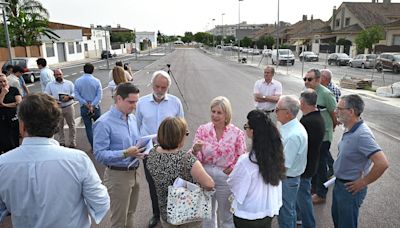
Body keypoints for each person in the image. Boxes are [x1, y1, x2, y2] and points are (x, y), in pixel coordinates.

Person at [0, 93, 110, 228]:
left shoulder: (3, 163)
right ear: (56, 125)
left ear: (22, 126)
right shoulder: (78, 160)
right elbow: (100, 202)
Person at [146, 117, 215, 228]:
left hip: (167, 212)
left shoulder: (152, 153)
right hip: (188, 214)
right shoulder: (187, 160)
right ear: (179, 136)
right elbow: (209, 184)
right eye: (186, 133)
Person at [136, 70, 184, 228]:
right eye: (157, 86)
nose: (159, 90)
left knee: (172, 184)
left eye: (163, 87)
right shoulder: (141, 103)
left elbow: (182, 126)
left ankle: (172, 212)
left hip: (170, 152)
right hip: (150, 152)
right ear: (152, 84)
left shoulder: (175, 102)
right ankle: (156, 214)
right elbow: (136, 126)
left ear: (168, 87)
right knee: (153, 184)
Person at [93, 83, 145, 228]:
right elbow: (99, 154)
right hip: (117, 176)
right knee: (119, 220)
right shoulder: (103, 123)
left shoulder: (132, 118)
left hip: (134, 172)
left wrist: (142, 149)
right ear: (119, 99)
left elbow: (135, 143)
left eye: (136, 102)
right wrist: (125, 153)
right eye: (131, 102)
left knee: (130, 213)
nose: (134, 106)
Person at [332, 94, 389, 228]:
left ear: (351, 112)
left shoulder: (362, 135)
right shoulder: (349, 127)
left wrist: (363, 182)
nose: (335, 111)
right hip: (340, 185)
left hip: (350, 190)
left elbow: (382, 163)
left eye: (339, 108)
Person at [191, 96, 246, 228]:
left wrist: (232, 168)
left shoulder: (237, 133)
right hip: (205, 174)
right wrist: (195, 149)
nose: (215, 115)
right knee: (207, 215)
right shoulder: (203, 130)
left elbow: (242, 156)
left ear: (227, 115)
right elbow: (192, 156)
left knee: (227, 216)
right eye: (213, 111)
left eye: (219, 112)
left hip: (225, 176)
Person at [227, 110, 285, 228]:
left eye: (246, 126)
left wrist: (233, 172)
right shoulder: (275, 154)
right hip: (268, 210)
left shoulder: (246, 161)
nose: (245, 129)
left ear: (253, 132)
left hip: (248, 214)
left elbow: (234, 185)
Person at [303, 69, 337, 204]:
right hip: (311, 134)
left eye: (309, 79)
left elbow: (334, 113)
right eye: (305, 79)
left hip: (324, 135)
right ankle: (314, 188)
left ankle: (321, 194)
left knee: (321, 164)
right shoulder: (307, 93)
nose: (306, 82)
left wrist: (332, 127)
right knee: (313, 161)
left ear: (318, 80)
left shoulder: (326, 94)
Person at [275, 95, 308, 228]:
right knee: (289, 211)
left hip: (287, 179)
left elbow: (284, 164)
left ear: (288, 113)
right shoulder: (289, 127)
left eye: (277, 109)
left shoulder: (293, 135)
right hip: (289, 179)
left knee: (285, 213)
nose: (275, 112)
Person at [296, 89, 325, 228]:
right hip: (311, 163)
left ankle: (309, 224)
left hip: (305, 166)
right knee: (300, 195)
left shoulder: (308, 121)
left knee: (303, 197)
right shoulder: (317, 117)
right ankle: (299, 218)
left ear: (302, 102)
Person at [45, 68, 76, 148]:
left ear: (62, 74)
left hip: (69, 106)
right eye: (57, 75)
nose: (59, 76)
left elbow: (75, 92)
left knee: (72, 125)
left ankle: (72, 142)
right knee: (59, 126)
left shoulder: (69, 83)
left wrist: (70, 97)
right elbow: (46, 95)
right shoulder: (50, 84)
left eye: (60, 74)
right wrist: (53, 100)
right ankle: (62, 142)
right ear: (54, 75)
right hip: (57, 107)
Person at [74, 63, 102, 148]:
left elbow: (76, 94)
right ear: (93, 70)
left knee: (88, 127)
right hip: (95, 107)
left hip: (84, 107)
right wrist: (92, 105)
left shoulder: (78, 81)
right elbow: (99, 95)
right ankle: (100, 145)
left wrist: (85, 103)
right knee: (99, 127)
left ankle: (93, 146)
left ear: (83, 70)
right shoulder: (97, 81)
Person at [320, 69, 341, 178]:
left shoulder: (333, 90)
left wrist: (333, 125)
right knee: (322, 147)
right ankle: (332, 166)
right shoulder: (319, 88)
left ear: (325, 78)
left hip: (327, 124)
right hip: (320, 123)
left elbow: (334, 111)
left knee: (324, 147)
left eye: (320, 76)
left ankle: (331, 166)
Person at [0, 74, 21, 153]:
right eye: (0, 82)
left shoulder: (13, 89)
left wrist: (4, 105)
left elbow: (18, 102)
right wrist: (3, 93)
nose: (3, 83)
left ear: (7, 81)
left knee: (14, 138)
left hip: (13, 117)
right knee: (4, 139)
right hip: (2, 120)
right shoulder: (2, 91)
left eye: (4, 81)